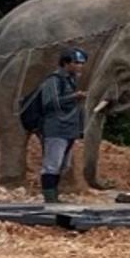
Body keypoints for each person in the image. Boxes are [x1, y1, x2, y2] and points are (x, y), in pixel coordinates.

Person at [38, 48, 88, 203]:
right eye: (76, 63)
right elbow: (49, 102)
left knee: (63, 165)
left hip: (68, 128)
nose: (80, 66)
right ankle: (49, 198)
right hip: (56, 127)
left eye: (81, 63)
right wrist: (74, 97)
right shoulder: (54, 80)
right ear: (66, 63)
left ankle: (54, 195)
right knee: (52, 164)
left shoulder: (71, 80)